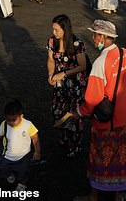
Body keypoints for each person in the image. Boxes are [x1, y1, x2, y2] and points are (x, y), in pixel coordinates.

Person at [79, 20, 126, 201]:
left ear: (103, 37)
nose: (93, 38)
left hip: (106, 121)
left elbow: (92, 97)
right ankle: (119, 194)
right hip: (125, 116)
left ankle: (94, 196)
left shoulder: (100, 61)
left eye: (95, 35)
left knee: (99, 157)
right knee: (121, 156)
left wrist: (80, 112)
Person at [47, 15, 90, 157]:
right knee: (57, 112)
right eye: (53, 29)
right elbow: (51, 61)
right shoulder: (52, 42)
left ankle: (75, 145)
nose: (54, 32)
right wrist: (50, 74)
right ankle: (64, 138)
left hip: (76, 84)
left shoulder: (76, 43)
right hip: (59, 84)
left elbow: (82, 66)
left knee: (74, 115)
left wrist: (64, 73)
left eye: (57, 30)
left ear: (65, 29)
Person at [0, 99, 41, 192]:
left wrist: (37, 151)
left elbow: (35, 138)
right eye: (8, 120)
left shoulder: (28, 125)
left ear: (21, 116)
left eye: (14, 120)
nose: (11, 122)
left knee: (23, 172)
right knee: (3, 168)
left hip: (23, 156)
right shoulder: (4, 124)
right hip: (8, 155)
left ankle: (22, 184)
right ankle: (9, 174)